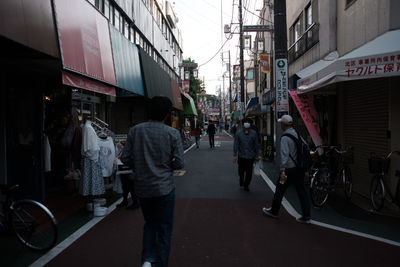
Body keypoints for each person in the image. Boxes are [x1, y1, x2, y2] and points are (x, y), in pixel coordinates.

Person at [121, 96, 184, 267]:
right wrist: (164, 165)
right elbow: (179, 163)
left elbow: (125, 158)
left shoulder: (135, 131)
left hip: (142, 187)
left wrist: (140, 165)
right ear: (166, 114)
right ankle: (161, 263)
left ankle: (147, 260)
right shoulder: (172, 133)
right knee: (164, 228)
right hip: (164, 188)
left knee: (150, 224)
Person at [262, 115, 311, 223]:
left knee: (280, 190)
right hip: (299, 169)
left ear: (283, 124)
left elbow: (284, 155)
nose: (280, 125)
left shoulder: (285, 137)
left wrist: (282, 170)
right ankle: (306, 215)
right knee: (301, 191)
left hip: (288, 170)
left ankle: (274, 211)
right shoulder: (297, 134)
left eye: (281, 123)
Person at [233, 118, 259, 192]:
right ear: (243, 124)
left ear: (250, 125)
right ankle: (241, 178)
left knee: (249, 172)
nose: (247, 123)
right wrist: (235, 155)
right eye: (245, 122)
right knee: (241, 171)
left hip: (250, 156)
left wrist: (256, 156)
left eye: (248, 122)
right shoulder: (238, 133)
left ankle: (246, 185)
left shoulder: (254, 133)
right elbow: (236, 144)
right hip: (241, 155)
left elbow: (256, 145)